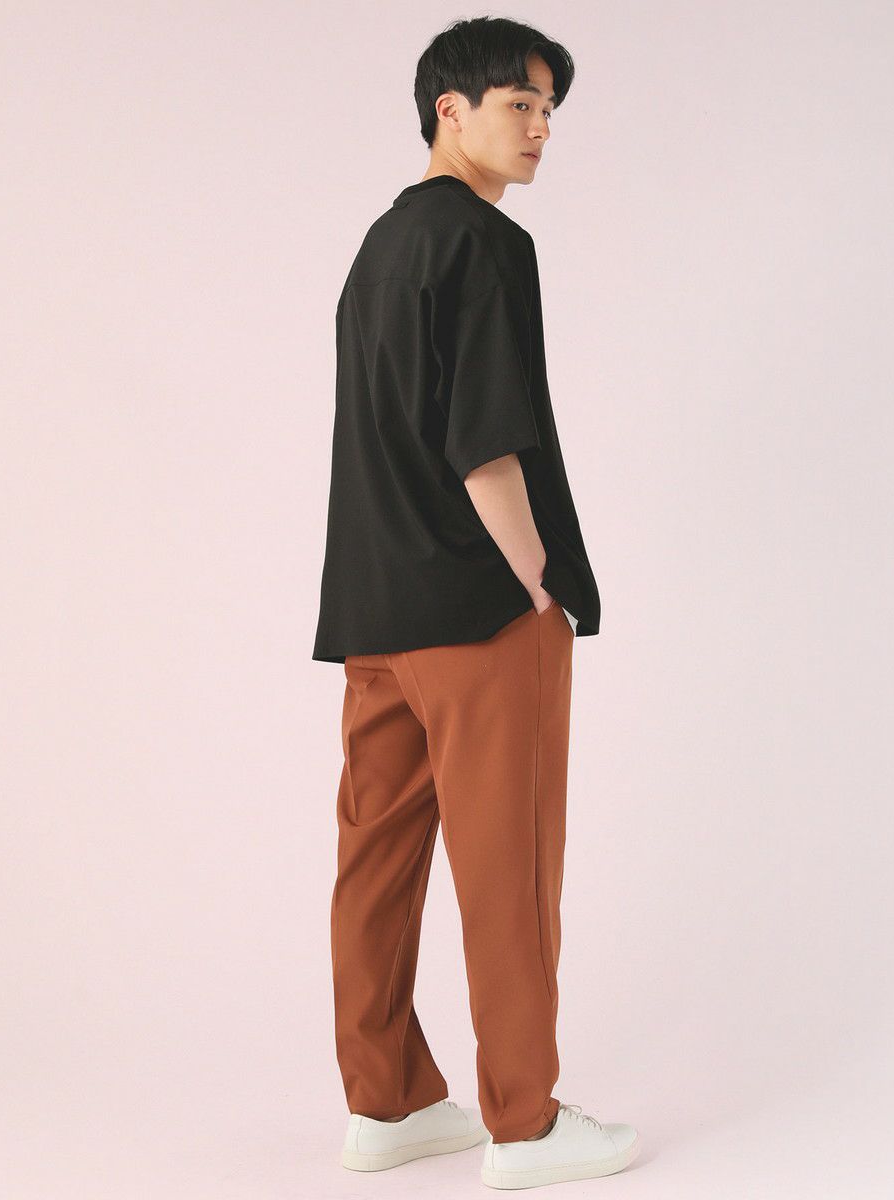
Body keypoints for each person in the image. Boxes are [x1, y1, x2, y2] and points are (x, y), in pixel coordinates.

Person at [312, 15, 640, 1190]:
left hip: (375, 614)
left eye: (549, 108)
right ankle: (525, 1124)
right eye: (519, 103)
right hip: (478, 612)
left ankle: (388, 1103)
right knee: (511, 872)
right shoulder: (486, 242)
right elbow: (482, 442)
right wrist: (538, 583)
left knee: (375, 866)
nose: (540, 127)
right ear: (448, 109)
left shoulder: (379, 246)